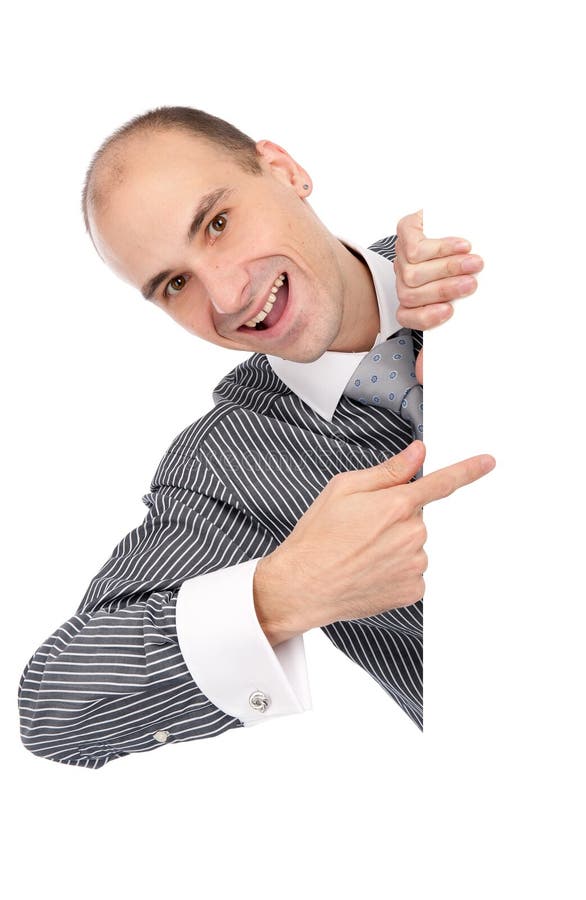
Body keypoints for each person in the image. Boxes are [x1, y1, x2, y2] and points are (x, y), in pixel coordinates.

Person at [18, 106, 494, 768]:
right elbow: (56, 712)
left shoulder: (481, 238)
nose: (229, 293)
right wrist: (282, 595)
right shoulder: (229, 467)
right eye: (175, 283)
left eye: (217, 223)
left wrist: (514, 214)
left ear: (284, 169)